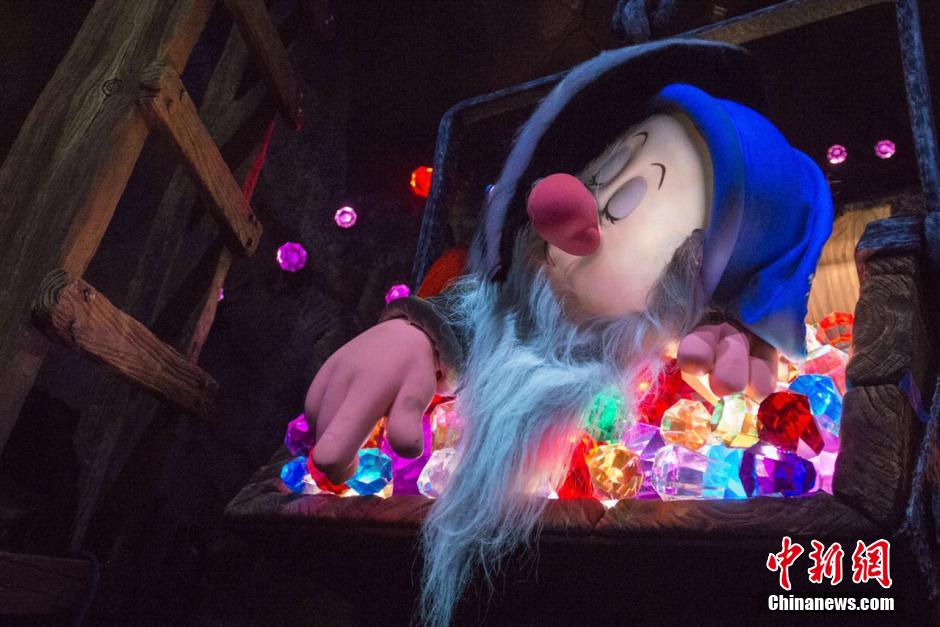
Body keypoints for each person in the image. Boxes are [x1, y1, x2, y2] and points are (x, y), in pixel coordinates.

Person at [303, 40, 833, 625]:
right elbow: (489, 309)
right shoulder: (496, 289)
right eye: (605, 172)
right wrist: (423, 329)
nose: (567, 202)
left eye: (627, 200)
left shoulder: (673, 374)